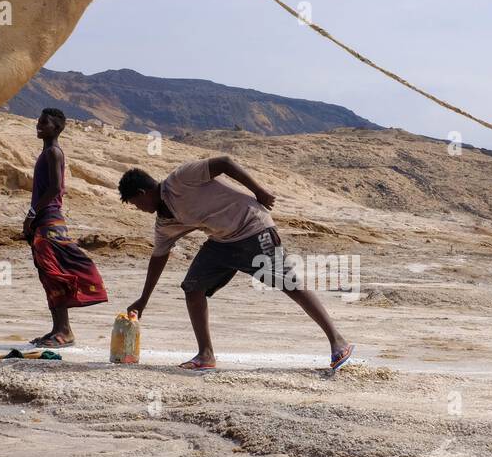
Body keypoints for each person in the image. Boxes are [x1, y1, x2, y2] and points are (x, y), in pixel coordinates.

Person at [119, 157, 355, 371]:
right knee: (193, 288)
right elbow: (159, 256)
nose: (137, 208)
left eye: (134, 203)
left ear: (143, 193)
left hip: (254, 227)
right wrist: (144, 300)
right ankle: (205, 355)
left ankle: (337, 341)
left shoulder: (181, 179)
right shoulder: (164, 223)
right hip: (223, 242)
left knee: (288, 283)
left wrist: (259, 191)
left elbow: (224, 163)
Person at [23, 109, 108, 347]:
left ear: (57, 128)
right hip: (43, 219)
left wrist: (31, 214)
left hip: (49, 219)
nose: (38, 125)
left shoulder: (53, 152)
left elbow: (54, 188)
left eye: (44, 123)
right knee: (48, 275)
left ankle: (65, 331)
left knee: (54, 273)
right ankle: (58, 329)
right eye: (38, 121)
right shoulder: (47, 152)